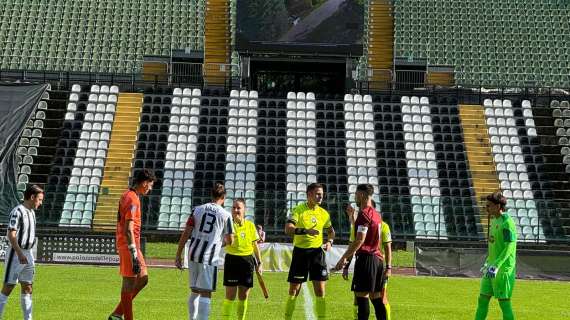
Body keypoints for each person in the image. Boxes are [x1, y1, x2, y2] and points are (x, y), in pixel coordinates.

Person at [175, 182, 234, 320]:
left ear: (211, 195)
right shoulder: (226, 215)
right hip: (209, 257)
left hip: (193, 254)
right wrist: (221, 243)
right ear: (224, 197)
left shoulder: (197, 209)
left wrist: (178, 254)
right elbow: (230, 240)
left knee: (195, 291)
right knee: (206, 293)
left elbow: (186, 233)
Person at [109, 169, 156, 320]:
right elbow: (128, 229)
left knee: (143, 278)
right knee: (128, 283)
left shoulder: (128, 195)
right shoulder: (133, 199)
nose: (150, 188)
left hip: (130, 244)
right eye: (150, 185)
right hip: (129, 245)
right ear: (144, 183)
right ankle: (123, 317)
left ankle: (117, 314)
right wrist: (134, 253)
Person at [334, 184, 386, 320]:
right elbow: (362, 232)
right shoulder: (376, 214)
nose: (355, 197)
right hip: (377, 259)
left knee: (362, 298)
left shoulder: (364, 214)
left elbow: (359, 240)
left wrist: (343, 258)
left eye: (356, 195)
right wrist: (352, 217)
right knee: (376, 298)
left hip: (366, 259)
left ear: (362, 195)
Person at [284, 183, 335, 320]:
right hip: (301, 253)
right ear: (309, 194)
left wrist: (329, 242)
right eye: (318, 194)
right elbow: (288, 229)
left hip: (317, 254)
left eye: (322, 194)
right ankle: (287, 317)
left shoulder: (324, 213)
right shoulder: (298, 210)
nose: (320, 197)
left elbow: (331, 232)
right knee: (294, 291)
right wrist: (305, 231)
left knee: (320, 291)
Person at [342, 200, 392, 320]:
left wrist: (389, 267)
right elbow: (353, 246)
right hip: (377, 264)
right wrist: (347, 266)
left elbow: (387, 248)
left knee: (373, 297)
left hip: (368, 262)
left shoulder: (381, 225)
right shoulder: (362, 225)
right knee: (372, 297)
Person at [0, 185, 43, 320]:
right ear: (32, 197)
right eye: (39, 200)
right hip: (16, 254)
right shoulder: (17, 211)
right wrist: (19, 253)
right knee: (8, 287)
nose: (40, 203)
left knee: (28, 287)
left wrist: (26, 254)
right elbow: (11, 234)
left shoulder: (32, 212)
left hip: (28, 253)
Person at [474, 192, 517, 320]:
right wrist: (488, 262)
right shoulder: (494, 220)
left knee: (504, 303)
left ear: (498, 206)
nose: (486, 208)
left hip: (502, 269)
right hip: (491, 267)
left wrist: (497, 265)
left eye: (489, 206)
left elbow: (510, 247)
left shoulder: (507, 223)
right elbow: (494, 245)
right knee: (482, 299)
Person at [221, 198, 263, 320]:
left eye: (238, 208)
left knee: (243, 296)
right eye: (234, 207)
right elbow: (223, 242)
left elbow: (255, 245)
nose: (236, 210)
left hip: (247, 262)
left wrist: (259, 263)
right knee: (230, 296)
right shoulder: (228, 225)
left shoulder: (250, 225)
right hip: (232, 261)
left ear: (244, 210)